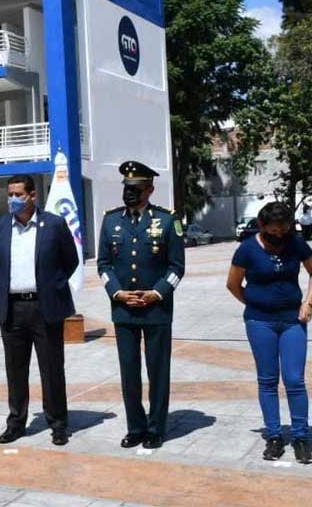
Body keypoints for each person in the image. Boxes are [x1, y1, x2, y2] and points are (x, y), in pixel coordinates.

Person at [97, 161, 184, 450]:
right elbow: (104, 264)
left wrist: (157, 293)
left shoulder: (168, 221)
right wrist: (116, 292)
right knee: (129, 371)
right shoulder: (111, 221)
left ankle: (156, 427)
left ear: (149, 189)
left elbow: (176, 267)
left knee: (158, 371)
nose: (130, 193)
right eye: (126, 188)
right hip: (124, 309)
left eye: (135, 189)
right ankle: (135, 427)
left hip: (156, 309)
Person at [0, 175, 79, 447]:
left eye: (18, 194)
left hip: (44, 307)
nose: (13, 199)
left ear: (32, 196)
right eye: (10, 194)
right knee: (15, 369)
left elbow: (70, 261)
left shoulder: (54, 225)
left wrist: (52, 287)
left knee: (51, 368)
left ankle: (58, 423)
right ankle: (16, 422)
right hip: (12, 308)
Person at [226, 201, 312, 464]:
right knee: (267, 380)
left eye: (284, 230)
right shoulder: (247, 249)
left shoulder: (296, 243)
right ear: (261, 225)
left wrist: (308, 303)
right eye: (274, 231)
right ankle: (274, 436)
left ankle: (302, 436)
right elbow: (233, 284)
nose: (279, 236)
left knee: (294, 380)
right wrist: (254, 302)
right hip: (260, 322)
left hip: (293, 320)